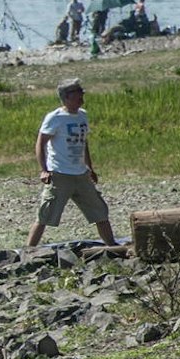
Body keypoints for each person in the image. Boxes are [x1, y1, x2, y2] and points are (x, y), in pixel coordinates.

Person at [27, 78, 119, 248]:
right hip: (60, 174)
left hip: (81, 174)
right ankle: (29, 250)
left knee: (100, 211)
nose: (81, 99)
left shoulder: (82, 115)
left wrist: (90, 167)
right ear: (67, 97)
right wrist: (44, 170)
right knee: (45, 215)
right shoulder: (55, 118)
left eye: (82, 95)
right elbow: (40, 143)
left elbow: (84, 143)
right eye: (78, 95)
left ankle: (112, 245)